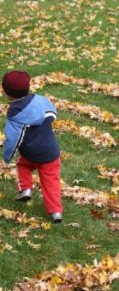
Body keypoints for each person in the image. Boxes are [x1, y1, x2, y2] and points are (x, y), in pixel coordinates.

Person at [2, 70, 63, 223]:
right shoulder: (40, 100)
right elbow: (52, 113)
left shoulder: (14, 114)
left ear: (6, 93)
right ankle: (56, 212)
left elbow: (13, 139)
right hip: (51, 152)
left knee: (22, 165)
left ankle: (26, 188)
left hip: (30, 154)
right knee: (51, 181)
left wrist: (6, 156)